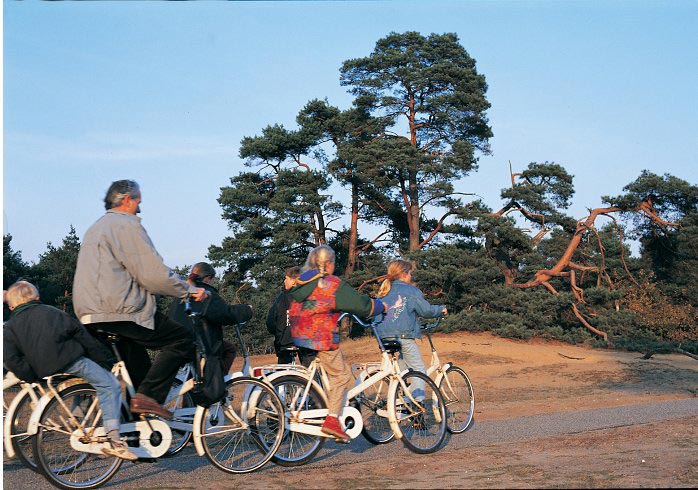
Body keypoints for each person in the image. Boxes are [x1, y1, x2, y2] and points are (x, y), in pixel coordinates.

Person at [73, 179, 208, 420]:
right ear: (126, 200)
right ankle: (148, 400)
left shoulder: (95, 228)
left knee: (141, 375)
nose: (139, 209)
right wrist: (189, 291)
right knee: (182, 339)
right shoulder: (125, 225)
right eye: (138, 202)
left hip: (89, 313)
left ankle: (135, 438)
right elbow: (152, 274)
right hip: (120, 309)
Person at [3, 281, 138, 460]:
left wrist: (31, 376)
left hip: (42, 370)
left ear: (11, 305)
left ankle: (77, 420)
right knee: (109, 384)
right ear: (37, 298)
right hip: (71, 362)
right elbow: (83, 337)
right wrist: (104, 360)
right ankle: (113, 438)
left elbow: (10, 358)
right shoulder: (53, 312)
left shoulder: (10, 326)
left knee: (85, 386)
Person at [289, 245, 386, 442]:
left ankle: (329, 406)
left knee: (328, 375)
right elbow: (360, 304)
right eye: (333, 262)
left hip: (300, 334)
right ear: (327, 263)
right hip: (320, 336)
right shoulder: (330, 284)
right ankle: (332, 420)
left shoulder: (304, 282)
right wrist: (380, 306)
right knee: (341, 376)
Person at [375, 259, 447, 401]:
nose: (411, 276)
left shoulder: (383, 291)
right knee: (419, 371)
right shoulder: (411, 291)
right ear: (405, 274)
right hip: (403, 336)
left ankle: (403, 401)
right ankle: (417, 408)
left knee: (404, 372)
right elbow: (426, 311)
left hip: (383, 337)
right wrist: (441, 309)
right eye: (410, 273)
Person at [168, 262, 253, 374]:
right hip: (199, 343)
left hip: (177, 341)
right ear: (208, 278)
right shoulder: (205, 292)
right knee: (229, 349)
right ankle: (217, 382)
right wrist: (247, 310)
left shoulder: (182, 292)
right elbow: (225, 314)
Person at [266, 266, 316, 366]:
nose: (284, 281)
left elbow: (270, 322)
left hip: (285, 341)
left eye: (286, 278)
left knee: (283, 374)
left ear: (293, 281)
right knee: (310, 370)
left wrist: (278, 332)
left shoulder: (281, 298)